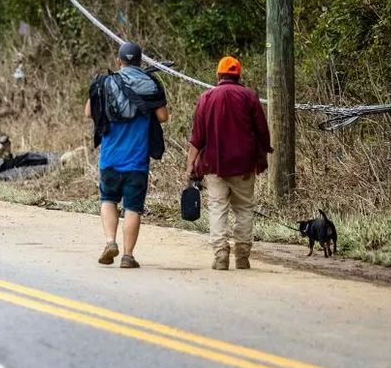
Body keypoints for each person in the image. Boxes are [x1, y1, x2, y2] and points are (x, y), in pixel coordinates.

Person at [85, 41, 169, 268]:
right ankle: (128, 256)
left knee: (108, 200)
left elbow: (88, 112)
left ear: (118, 61)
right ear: (140, 61)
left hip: (109, 158)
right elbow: (163, 116)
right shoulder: (150, 83)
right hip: (137, 161)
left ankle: (110, 241)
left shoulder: (104, 84)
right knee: (133, 207)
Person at [186, 56, 273, 270]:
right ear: (238, 75)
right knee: (244, 208)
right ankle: (242, 256)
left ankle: (221, 254)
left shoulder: (207, 97)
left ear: (218, 75)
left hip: (214, 166)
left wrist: (190, 165)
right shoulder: (249, 96)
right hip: (244, 165)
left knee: (217, 207)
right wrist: (264, 153)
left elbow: (198, 137)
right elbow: (262, 131)